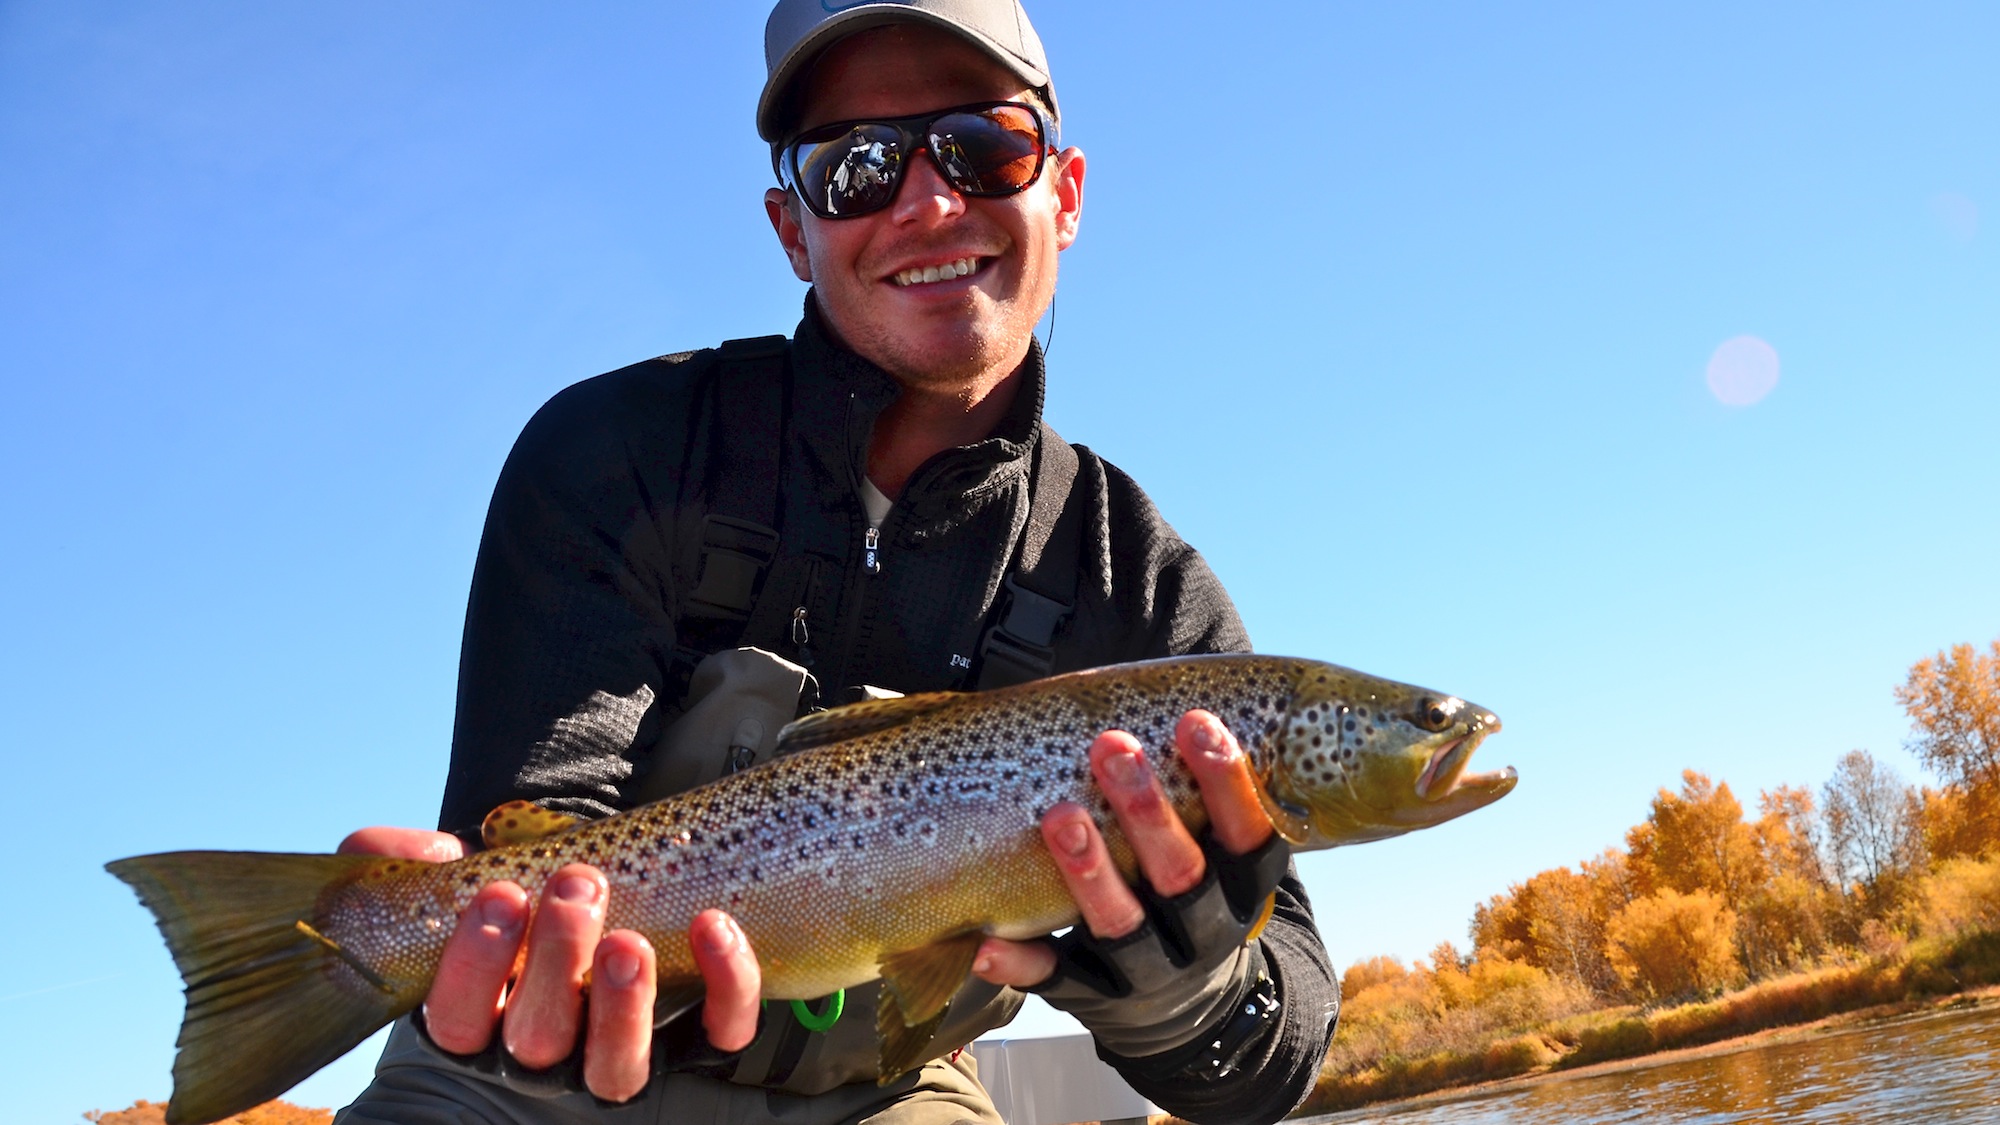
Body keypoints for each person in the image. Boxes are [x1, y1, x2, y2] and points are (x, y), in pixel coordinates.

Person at [335, 3, 1338, 1123]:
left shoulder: (1135, 578)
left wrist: (1192, 997)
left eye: (984, 144)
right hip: (528, 1082)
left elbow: (1280, 1045)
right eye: (854, 164)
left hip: (889, 1085)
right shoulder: (616, 446)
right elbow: (535, 819)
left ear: (1062, 192)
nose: (926, 201)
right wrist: (491, 956)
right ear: (789, 229)